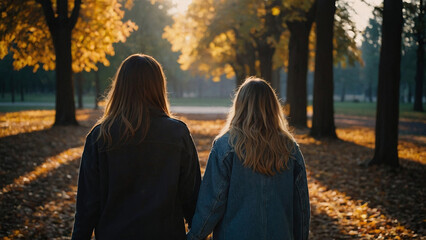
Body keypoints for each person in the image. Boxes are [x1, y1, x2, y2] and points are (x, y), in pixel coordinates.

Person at [71, 54, 201, 240]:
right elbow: (192, 199)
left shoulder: (101, 136)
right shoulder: (177, 133)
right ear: (158, 87)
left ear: (121, 87)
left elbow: (87, 207)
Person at [187, 77, 310, 240]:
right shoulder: (290, 148)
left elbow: (213, 202)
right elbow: (301, 206)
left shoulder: (226, 146)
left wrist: (194, 235)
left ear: (240, 105)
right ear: (273, 107)